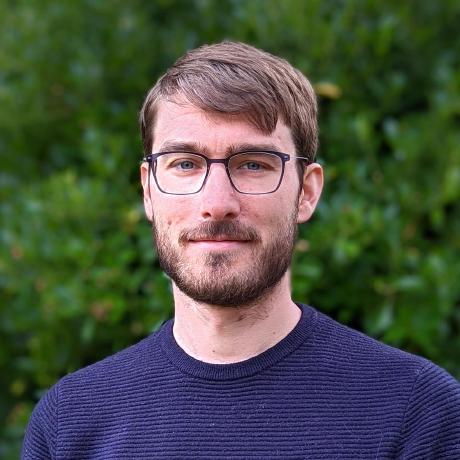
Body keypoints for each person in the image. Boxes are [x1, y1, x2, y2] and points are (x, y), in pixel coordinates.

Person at [22, 41, 460, 459]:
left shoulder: (418, 414)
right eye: (184, 164)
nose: (216, 203)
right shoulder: (70, 423)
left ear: (307, 192)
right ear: (148, 191)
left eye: (253, 164)